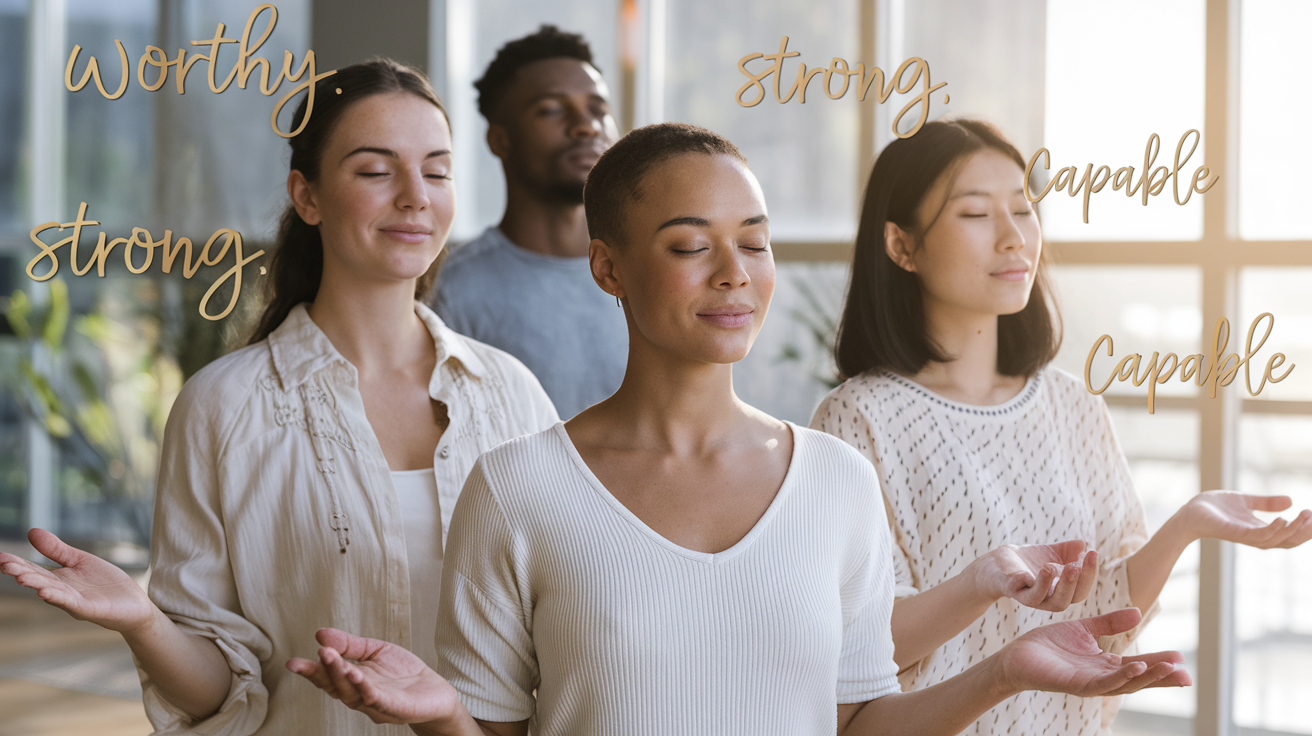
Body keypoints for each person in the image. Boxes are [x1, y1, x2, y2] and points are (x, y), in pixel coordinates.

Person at [286, 122, 1190, 736]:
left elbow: (860, 721)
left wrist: (1004, 673)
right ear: (609, 265)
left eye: (753, 242)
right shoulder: (518, 488)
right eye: (688, 246)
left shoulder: (835, 479)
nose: (733, 273)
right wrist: (445, 717)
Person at [0, 59, 558, 736]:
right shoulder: (223, 407)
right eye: (376, 170)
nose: (416, 195)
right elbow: (218, 695)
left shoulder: (512, 396)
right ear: (308, 195)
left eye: (437, 170)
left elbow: (551, 644)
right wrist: (144, 622)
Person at [811, 117, 1312, 736]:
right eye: (975, 214)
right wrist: (982, 584)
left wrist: (1187, 524)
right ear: (900, 245)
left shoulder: (1072, 405)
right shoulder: (858, 418)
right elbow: (866, 647)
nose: (1013, 237)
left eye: (1023, 210)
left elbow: (1109, 612)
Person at [431, 25, 627, 419]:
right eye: (552, 109)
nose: (586, 126)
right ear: (500, 140)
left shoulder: (647, 272)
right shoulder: (452, 290)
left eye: (598, 109)